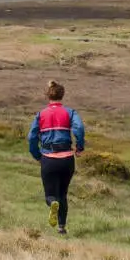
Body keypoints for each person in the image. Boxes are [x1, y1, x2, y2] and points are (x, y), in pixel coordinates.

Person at [27, 80, 85, 235]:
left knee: (51, 195)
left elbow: (31, 137)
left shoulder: (41, 115)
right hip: (67, 160)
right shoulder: (70, 112)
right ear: (62, 95)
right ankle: (61, 227)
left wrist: (37, 155)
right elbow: (79, 128)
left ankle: (52, 203)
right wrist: (79, 147)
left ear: (48, 96)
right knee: (63, 194)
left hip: (48, 158)